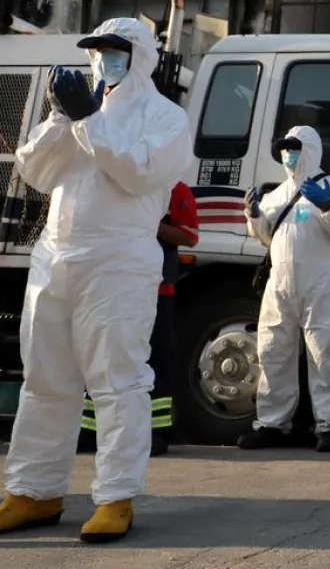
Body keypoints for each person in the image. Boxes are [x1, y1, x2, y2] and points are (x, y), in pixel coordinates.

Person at [0, 18, 190, 544]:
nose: (104, 59)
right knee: (44, 382)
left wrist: (88, 120)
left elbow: (139, 174)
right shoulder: (78, 110)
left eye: (115, 49)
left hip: (118, 261)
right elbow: (36, 172)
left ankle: (114, 498)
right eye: (97, 50)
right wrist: (61, 119)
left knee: (118, 383)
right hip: (55, 257)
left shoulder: (166, 117)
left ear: (141, 55)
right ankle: (33, 492)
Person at [237, 126, 330, 452]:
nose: (288, 154)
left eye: (294, 148)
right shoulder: (276, 195)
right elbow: (266, 237)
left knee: (325, 354)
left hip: (322, 283)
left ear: (311, 150)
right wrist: (254, 217)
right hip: (280, 285)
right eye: (284, 149)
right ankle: (272, 424)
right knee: (272, 352)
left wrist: (327, 207)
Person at [77, 181, 199, 458]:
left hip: (155, 289)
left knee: (156, 359)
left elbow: (189, 235)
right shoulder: (111, 183)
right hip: (112, 285)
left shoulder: (174, 187)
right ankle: (91, 430)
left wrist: (146, 224)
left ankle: (156, 432)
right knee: (102, 355)